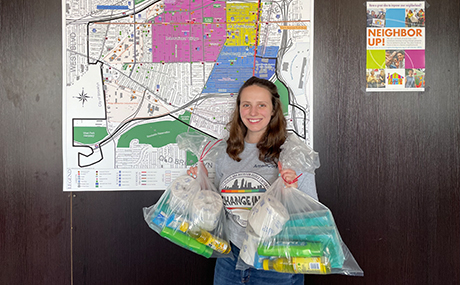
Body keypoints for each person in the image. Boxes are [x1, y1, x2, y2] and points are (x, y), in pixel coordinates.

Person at [188, 76, 318, 285]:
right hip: (230, 259)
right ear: (239, 108)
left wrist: (292, 190)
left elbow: (312, 214)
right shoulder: (224, 152)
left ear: (274, 110)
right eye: (246, 105)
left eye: (261, 105)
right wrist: (202, 181)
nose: (253, 112)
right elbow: (221, 208)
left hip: (275, 262)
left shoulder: (292, 152)